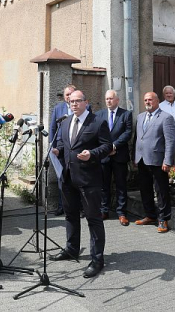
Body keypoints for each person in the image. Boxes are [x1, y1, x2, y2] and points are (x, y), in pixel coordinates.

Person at [51, 90, 112, 278]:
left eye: (78, 101)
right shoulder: (66, 122)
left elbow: (107, 147)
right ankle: (71, 249)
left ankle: (97, 259)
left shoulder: (98, 122)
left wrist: (92, 154)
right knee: (70, 216)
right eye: (71, 101)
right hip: (68, 177)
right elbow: (65, 146)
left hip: (88, 179)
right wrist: (57, 151)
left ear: (86, 102)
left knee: (93, 219)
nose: (74, 104)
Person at [133, 92, 175, 233]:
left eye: (150, 99)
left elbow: (170, 141)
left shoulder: (166, 117)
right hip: (141, 159)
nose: (147, 102)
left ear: (157, 101)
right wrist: (134, 157)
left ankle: (163, 219)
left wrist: (168, 161)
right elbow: (138, 138)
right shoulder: (140, 117)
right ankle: (150, 215)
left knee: (161, 191)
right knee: (145, 189)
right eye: (145, 100)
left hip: (158, 160)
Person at [95, 90, 132, 226]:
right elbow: (96, 133)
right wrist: (105, 148)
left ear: (117, 100)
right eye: (106, 99)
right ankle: (104, 210)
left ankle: (121, 213)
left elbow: (128, 133)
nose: (108, 101)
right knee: (104, 185)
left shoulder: (126, 114)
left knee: (121, 185)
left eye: (111, 98)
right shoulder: (99, 115)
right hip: (104, 157)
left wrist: (114, 146)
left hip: (119, 155)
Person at [49, 84, 76, 216]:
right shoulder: (58, 108)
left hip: (76, 146)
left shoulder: (83, 107)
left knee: (76, 176)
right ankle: (62, 206)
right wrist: (52, 145)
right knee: (62, 177)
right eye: (67, 95)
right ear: (64, 97)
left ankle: (78, 207)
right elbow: (52, 127)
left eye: (72, 94)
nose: (70, 97)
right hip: (60, 146)